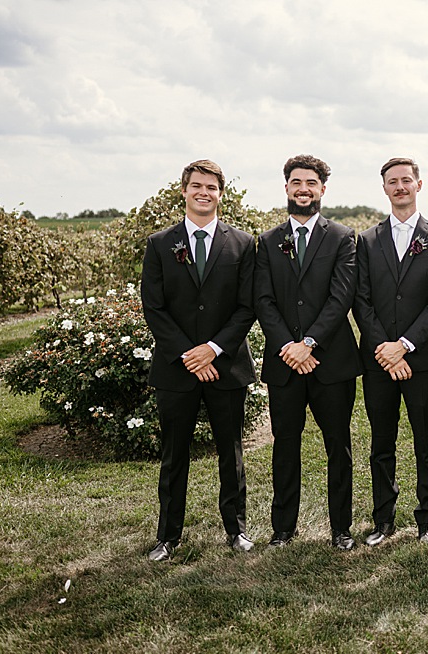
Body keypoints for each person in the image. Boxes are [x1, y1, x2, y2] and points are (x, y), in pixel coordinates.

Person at [141, 159, 257, 561]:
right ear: (184, 190)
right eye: (197, 186)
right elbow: (154, 307)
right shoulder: (160, 243)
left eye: (211, 187)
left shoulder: (243, 243)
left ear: (220, 193)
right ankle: (168, 537)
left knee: (231, 452)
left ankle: (237, 530)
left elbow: (247, 306)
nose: (203, 193)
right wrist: (190, 354)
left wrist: (213, 349)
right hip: (177, 368)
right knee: (174, 456)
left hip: (226, 365)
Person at [254, 154, 361, 551]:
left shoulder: (343, 238)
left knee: (338, 446)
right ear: (286, 187)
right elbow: (263, 300)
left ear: (322, 189)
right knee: (285, 445)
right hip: (284, 363)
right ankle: (283, 529)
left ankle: (341, 528)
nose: (303, 189)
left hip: (331, 360)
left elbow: (341, 297)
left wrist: (310, 343)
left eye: (311, 183)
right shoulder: (267, 241)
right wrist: (288, 346)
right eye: (296, 182)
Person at [352, 157, 428, 547]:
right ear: (384, 189)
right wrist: (385, 348)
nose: (400, 187)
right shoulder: (366, 240)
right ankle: (383, 520)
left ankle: (427, 519)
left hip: (421, 359)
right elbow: (361, 301)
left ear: (418, 185)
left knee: (426, 441)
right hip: (378, 359)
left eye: (406, 180)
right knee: (382, 442)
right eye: (392, 181)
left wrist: (405, 346)